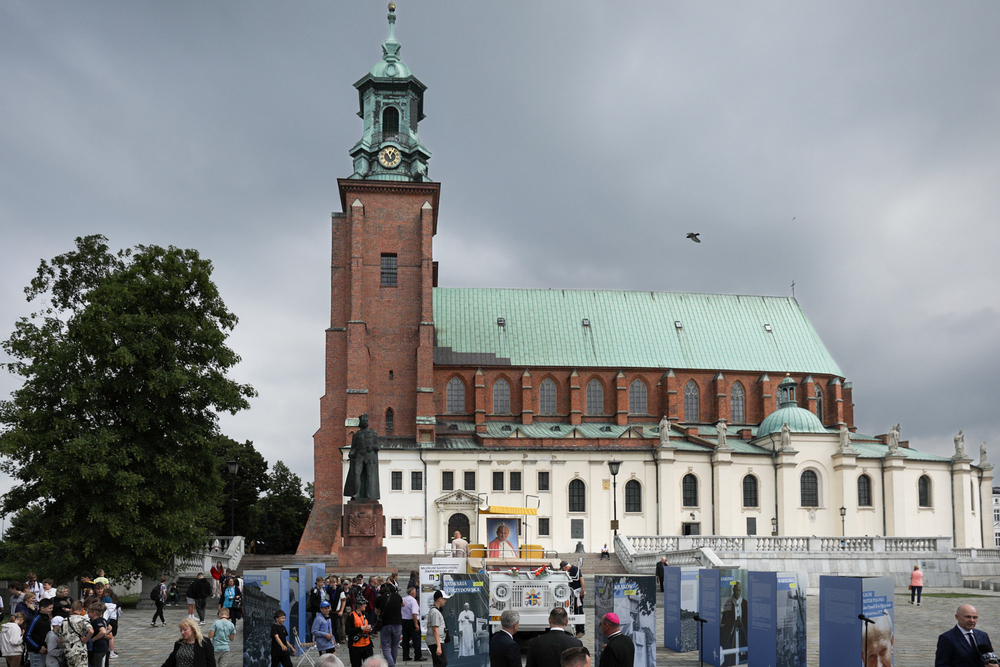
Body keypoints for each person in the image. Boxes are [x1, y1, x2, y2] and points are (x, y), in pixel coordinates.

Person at [721, 581, 748, 666]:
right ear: (733, 590)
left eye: (739, 590)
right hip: (731, 636)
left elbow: (748, 621)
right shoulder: (728, 602)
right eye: (736, 590)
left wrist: (742, 624)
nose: (737, 592)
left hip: (741, 636)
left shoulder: (745, 603)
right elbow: (724, 622)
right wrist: (733, 624)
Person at [375, 583, 402, 667]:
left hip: (386, 624)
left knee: (385, 647)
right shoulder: (397, 596)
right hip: (398, 624)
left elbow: (376, 612)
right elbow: (403, 604)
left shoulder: (379, 598)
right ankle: (392, 663)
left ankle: (391, 665)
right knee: (394, 646)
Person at [345, 596, 373, 667]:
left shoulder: (365, 614)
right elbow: (348, 630)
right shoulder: (351, 616)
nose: (366, 605)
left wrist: (370, 629)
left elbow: (369, 624)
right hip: (356, 646)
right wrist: (361, 628)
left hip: (367, 644)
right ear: (359, 605)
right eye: (364, 604)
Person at [560, 561, 585, 638]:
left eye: (563, 569)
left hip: (577, 593)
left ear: (566, 567)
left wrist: (582, 590)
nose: (564, 571)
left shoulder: (575, 569)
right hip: (572, 593)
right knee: (572, 610)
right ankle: (573, 628)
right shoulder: (569, 570)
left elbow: (581, 579)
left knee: (578, 610)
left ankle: (580, 630)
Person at [63, 602, 92, 667]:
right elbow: (91, 631)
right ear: (82, 609)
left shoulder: (64, 620)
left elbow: (60, 639)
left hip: (68, 651)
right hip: (79, 651)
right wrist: (86, 639)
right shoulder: (83, 619)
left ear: (71, 609)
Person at [25, 598, 52, 667]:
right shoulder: (35, 619)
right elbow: (27, 636)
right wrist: (38, 647)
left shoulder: (46, 618)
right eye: (49, 608)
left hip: (45, 651)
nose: (51, 610)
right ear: (42, 608)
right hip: (36, 652)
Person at [400, 587, 422, 662]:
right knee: (416, 639)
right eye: (415, 592)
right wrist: (416, 624)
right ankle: (418, 656)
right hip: (412, 621)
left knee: (405, 639)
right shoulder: (413, 601)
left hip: (404, 621)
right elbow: (414, 613)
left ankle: (405, 655)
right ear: (413, 593)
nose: (416, 594)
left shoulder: (403, 599)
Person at [426, 591, 447, 667]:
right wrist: (439, 646)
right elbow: (435, 629)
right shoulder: (435, 612)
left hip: (435, 640)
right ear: (440, 599)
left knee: (438, 663)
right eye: (444, 599)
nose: (445, 601)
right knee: (442, 663)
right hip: (435, 641)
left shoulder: (434, 611)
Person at [87, 601, 110, 667]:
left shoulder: (97, 621)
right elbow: (109, 628)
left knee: (97, 664)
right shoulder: (103, 619)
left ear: (94, 613)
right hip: (103, 646)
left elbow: (102, 631)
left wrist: (93, 639)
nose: (87, 613)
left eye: (89, 612)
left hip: (99, 647)